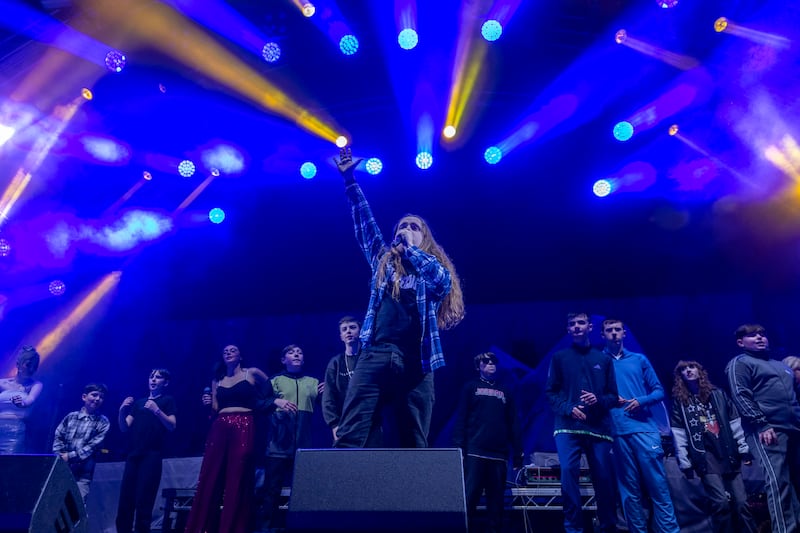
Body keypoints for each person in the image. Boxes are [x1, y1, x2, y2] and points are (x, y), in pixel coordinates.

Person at [333, 147, 465, 449]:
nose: (406, 230)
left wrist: (412, 251)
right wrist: (350, 182)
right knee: (352, 433)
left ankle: (414, 495)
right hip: (375, 354)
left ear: (424, 238)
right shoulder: (383, 260)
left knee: (413, 441)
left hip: (417, 360)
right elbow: (365, 227)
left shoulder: (430, 265)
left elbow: (441, 283)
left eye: (414, 227)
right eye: (402, 226)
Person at [602, 319, 679, 533]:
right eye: (609, 330)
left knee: (658, 488)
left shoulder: (639, 359)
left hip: (645, 429)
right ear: (603, 335)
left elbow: (658, 391)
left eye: (618, 330)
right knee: (629, 492)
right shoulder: (599, 362)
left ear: (624, 333)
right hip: (617, 431)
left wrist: (641, 400)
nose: (614, 333)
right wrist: (607, 398)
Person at [185, 345, 272, 533]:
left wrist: (271, 404)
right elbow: (215, 408)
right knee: (211, 475)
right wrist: (208, 404)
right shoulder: (218, 380)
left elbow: (271, 390)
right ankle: (203, 528)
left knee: (238, 474)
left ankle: (233, 528)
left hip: (244, 424)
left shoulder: (252, 373)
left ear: (240, 355)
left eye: (233, 350)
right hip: (220, 426)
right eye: (225, 351)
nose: (228, 352)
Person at [545, 312, 618, 533]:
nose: (576, 327)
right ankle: (573, 529)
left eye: (581, 323)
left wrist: (598, 400)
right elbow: (550, 393)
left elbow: (613, 397)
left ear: (590, 327)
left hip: (598, 430)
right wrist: (569, 408)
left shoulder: (603, 359)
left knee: (604, 480)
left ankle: (608, 527)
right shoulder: (559, 358)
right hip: (568, 427)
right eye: (572, 324)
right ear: (568, 330)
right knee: (568, 474)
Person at [726, 325, 800, 533]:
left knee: (795, 482)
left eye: (762, 334)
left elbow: (793, 398)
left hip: (793, 429)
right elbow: (741, 395)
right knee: (779, 483)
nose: (759, 338)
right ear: (741, 342)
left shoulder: (781, 366)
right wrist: (761, 423)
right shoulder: (740, 363)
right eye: (752, 335)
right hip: (768, 430)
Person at [671, 360, 757, 532]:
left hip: (728, 452)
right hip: (705, 456)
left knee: (741, 504)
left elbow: (734, 422)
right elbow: (678, 432)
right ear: (679, 375)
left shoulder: (718, 394)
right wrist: (684, 461)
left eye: (692, 367)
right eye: (683, 369)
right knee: (721, 503)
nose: (688, 371)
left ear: (700, 370)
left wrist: (743, 447)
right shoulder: (680, 402)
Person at [453, 352, 524, 533]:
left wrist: (518, 452)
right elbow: (461, 418)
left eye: (494, 361)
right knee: (469, 498)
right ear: (478, 366)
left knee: (496, 502)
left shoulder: (506, 391)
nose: (491, 364)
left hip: (498, 455)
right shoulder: (470, 387)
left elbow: (513, 422)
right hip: (474, 451)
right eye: (486, 361)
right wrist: (459, 448)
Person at [258, 344, 322, 532]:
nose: (296, 354)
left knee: (302, 492)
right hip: (277, 448)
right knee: (272, 492)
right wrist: (275, 401)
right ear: (283, 360)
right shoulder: (274, 381)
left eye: (300, 352)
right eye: (291, 352)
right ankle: (268, 529)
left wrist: (330, 388)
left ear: (303, 359)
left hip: (303, 449)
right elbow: (258, 403)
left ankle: (299, 527)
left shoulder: (312, 382)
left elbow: (330, 406)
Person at [115, 368, 177, 533]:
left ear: (166, 382)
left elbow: (172, 425)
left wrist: (156, 410)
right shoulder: (139, 403)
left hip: (152, 456)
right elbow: (124, 427)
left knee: (144, 501)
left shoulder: (166, 401)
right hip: (133, 456)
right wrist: (122, 410)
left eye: (158, 377)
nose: (153, 379)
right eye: (151, 376)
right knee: (126, 500)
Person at [52, 382, 111, 502]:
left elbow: (92, 446)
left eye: (101, 397)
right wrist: (59, 455)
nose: (97, 399)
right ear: (84, 397)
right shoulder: (71, 416)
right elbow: (58, 435)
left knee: (77, 505)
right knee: (55, 502)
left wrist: (70, 456)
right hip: (62, 468)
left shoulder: (103, 422)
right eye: (94, 395)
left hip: (82, 474)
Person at [322, 316, 362, 444]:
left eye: (352, 327)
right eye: (344, 329)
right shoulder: (335, 363)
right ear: (341, 336)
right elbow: (328, 397)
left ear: (360, 331)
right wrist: (334, 424)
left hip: (368, 421)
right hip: (343, 423)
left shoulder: (368, 358)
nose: (348, 331)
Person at [0, 345, 43, 454]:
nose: (31, 369)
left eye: (35, 367)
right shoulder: (1, 383)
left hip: (14, 431)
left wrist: (22, 403)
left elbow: (30, 399)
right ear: (18, 364)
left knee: (9, 465)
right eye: (28, 365)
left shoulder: (35, 385)